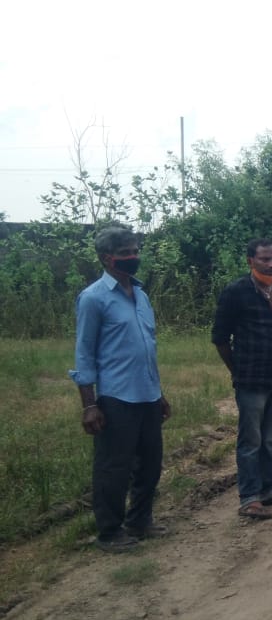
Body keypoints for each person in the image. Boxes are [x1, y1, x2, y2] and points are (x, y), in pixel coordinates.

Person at [70, 226, 171, 551]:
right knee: (114, 467)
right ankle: (110, 532)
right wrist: (89, 405)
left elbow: (147, 348)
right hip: (116, 398)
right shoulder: (94, 298)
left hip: (148, 395)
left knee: (150, 463)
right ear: (106, 258)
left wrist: (160, 393)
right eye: (126, 253)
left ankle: (140, 521)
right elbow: (85, 354)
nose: (133, 257)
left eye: (135, 250)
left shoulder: (141, 295)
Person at [212, 238, 272, 520]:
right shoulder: (236, 292)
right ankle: (249, 497)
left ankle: (269, 489)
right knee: (250, 440)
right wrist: (236, 369)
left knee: (271, 439)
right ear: (251, 261)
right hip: (250, 379)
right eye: (265, 259)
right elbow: (220, 338)